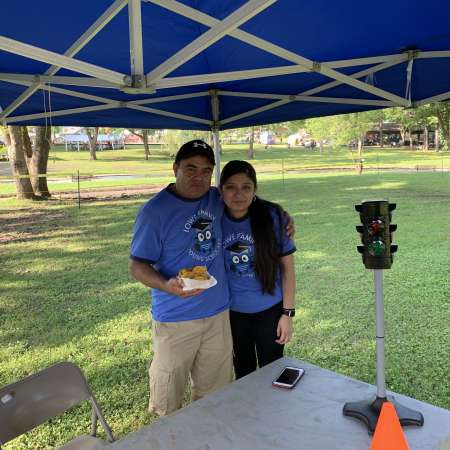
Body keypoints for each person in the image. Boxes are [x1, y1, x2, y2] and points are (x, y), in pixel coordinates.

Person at [129, 140, 233, 416]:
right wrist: (166, 285)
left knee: (216, 395)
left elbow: (247, 198)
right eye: (190, 169)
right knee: (168, 402)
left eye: (206, 170)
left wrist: (280, 215)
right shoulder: (155, 212)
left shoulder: (215, 199)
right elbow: (137, 265)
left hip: (217, 315)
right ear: (175, 168)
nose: (199, 177)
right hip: (175, 318)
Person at [219, 160, 296, 379]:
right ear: (221, 190)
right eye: (231, 187)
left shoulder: (272, 217)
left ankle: (274, 413)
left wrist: (287, 314)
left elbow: (288, 270)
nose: (238, 194)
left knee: (273, 373)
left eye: (246, 187)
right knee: (243, 373)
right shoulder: (214, 218)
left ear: (255, 190)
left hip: (270, 311)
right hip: (232, 314)